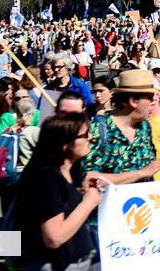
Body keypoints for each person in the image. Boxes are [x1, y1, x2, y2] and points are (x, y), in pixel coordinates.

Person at [16, 112, 101, 270]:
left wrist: (80, 191)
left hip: (79, 261)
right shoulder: (45, 178)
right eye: (85, 135)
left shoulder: (68, 170)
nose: (90, 138)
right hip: (59, 265)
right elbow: (53, 238)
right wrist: (89, 203)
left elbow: (62, 205)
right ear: (65, 144)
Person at [83, 70, 160, 185]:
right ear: (133, 101)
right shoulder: (97, 130)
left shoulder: (145, 127)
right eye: (150, 98)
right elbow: (88, 179)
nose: (153, 103)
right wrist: (140, 173)